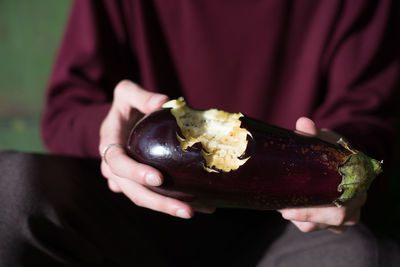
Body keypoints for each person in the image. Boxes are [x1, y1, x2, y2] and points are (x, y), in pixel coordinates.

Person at [38, 0, 399, 265]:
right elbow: (66, 111)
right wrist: (108, 139)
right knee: (12, 191)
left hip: (288, 228)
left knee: (364, 257)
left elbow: (368, 111)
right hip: (138, 219)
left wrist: (347, 158)